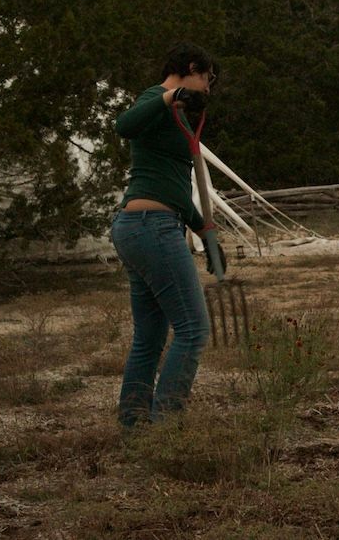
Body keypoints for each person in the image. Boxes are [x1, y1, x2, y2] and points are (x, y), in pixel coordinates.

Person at [110, 42, 223, 427]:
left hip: (144, 227)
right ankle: (167, 429)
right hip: (151, 228)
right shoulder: (155, 99)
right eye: (207, 80)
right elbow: (122, 126)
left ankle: (135, 427)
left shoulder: (176, 115)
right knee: (193, 330)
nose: (208, 90)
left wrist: (204, 231)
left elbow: (174, 188)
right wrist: (171, 96)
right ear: (192, 67)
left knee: (150, 337)